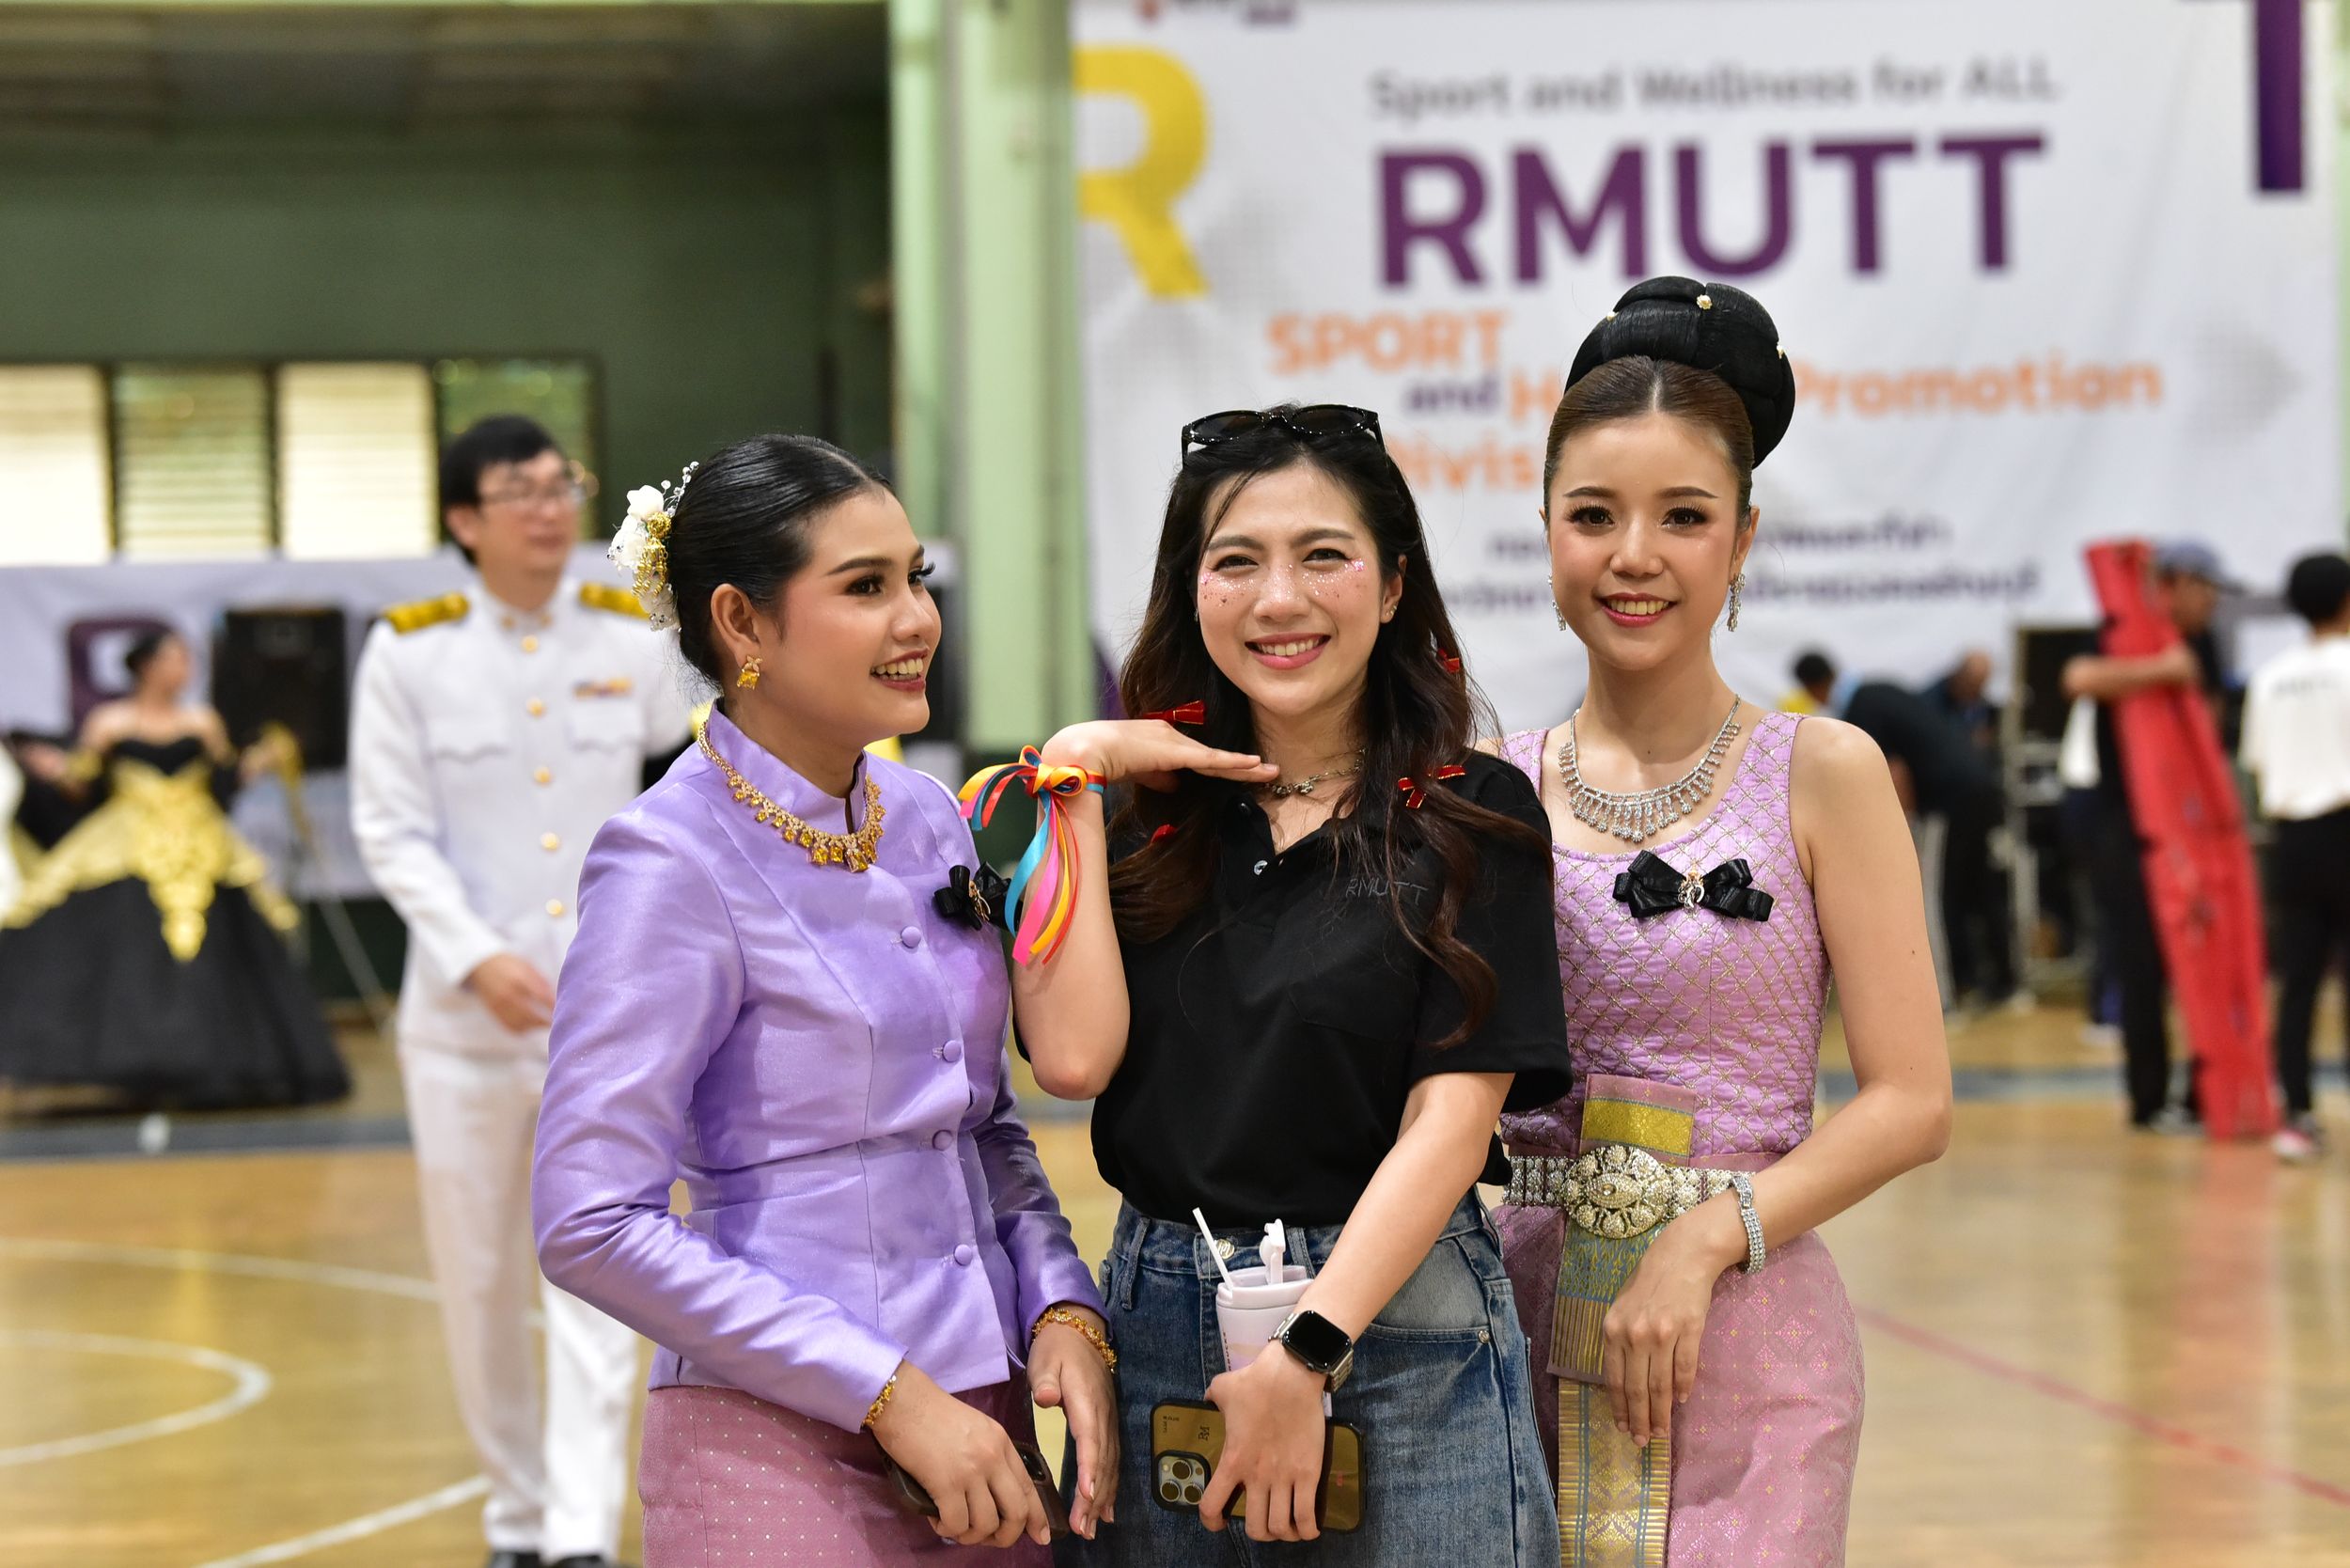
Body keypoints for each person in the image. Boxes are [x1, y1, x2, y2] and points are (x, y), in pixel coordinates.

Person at [531, 434, 1117, 1566]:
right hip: (777, 1442)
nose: (917, 620)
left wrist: (1060, 1304)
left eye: (916, 579)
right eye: (864, 587)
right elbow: (588, 1222)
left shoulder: (926, 816)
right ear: (741, 624)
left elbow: (979, 1123)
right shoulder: (667, 859)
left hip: (985, 1427)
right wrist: (887, 1392)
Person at [1011, 402, 1573, 1564]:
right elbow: (1070, 1060)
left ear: (1393, 583)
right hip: (1161, 1316)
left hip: (1397, 1322)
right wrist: (1072, 776)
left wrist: (1307, 1352)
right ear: (1189, 589)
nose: (1279, 599)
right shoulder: (1135, 818)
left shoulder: (1473, 812)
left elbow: (1451, 1125)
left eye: (1323, 555)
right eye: (1235, 562)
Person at [1493, 277, 1951, 1565]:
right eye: (1593, 515)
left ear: (1741, 540)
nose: (1633, 556)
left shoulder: (1824, 772)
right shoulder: (1493, 789)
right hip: (1508, 1331)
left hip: (1746, 1334)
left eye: (1683, 517)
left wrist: (1707, 1236)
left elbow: (1912, 1101)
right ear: (1547, 531)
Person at [351, 416, 689, 1568]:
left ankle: (579, 1533)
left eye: (562, 485)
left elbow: (683, 776)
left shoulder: (627, 638)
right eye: (520, 490)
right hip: (461, 1024)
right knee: (481, 1280)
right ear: (465, 518)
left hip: (601, 1012)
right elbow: (389, 829)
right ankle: (514, 1518)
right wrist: (472, 955)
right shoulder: (409, 654)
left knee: (598, 1258)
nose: (550, 508)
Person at [0, 630, 347, 1109]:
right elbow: (86, 789)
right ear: (146, 666)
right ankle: (127, 1060)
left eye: (187, 659)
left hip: (200, 843)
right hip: (127, 842)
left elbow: (221, 786)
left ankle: (221, 1060)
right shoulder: (110, 721)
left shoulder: (202, 721)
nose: (184, 669)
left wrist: (258, 764)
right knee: (124, 943)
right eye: (174, 659)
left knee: (220, 943)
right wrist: (58, 772)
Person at [2060, 540, 2232, 1131]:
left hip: (2191, 830)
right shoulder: (2123, 634)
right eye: (2206, 589)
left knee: (2204, 963)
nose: (2212, 603)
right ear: (2175, 584)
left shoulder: (2203, 643)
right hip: (2126, 829)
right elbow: (2078, 677)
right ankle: (2150, 1101)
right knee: (2140, 965)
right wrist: (2159, 671)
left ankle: (2206, 1095)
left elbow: (2210, 723)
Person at [2239, 550, 2350, 1162]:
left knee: (2299, 982)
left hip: (2292, 842)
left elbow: (2257, 763)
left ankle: (2297, 1117)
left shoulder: (2271, 677)